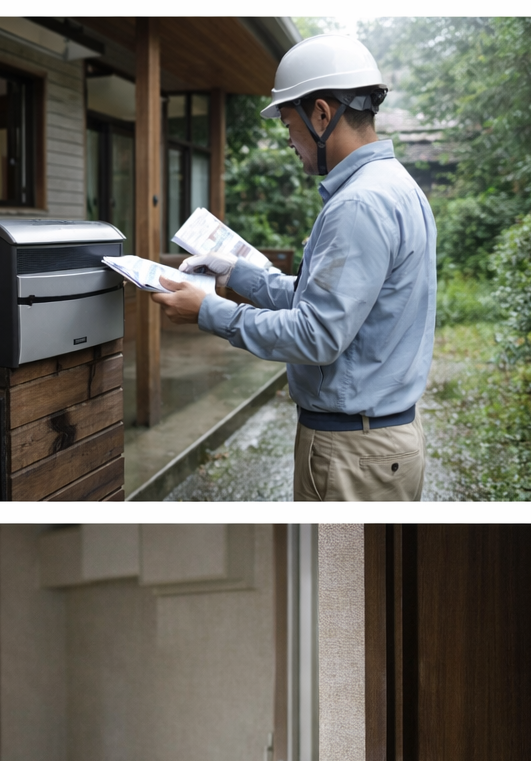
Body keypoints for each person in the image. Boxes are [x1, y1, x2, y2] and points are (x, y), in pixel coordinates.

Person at [151, 35, 436, 501]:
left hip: (351, 451)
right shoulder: (396, 186)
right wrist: (235, 274)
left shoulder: (359, 205)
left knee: (336, 571)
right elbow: (324, 304)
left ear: (322, 114)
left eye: (289, 124)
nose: (288, 141)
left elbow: (316, 334)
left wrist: (207, 311)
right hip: (377, 440)